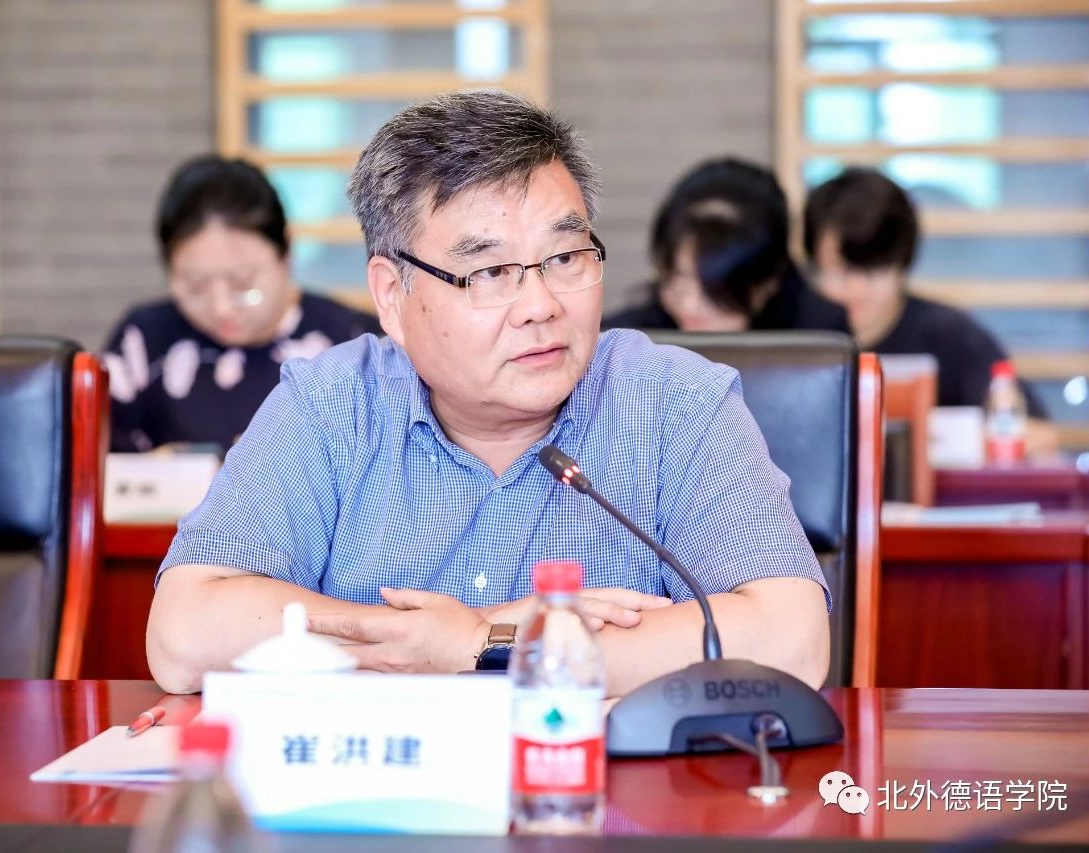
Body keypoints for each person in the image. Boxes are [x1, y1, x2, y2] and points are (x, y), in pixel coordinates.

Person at [147, 92, 829, 697]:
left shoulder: (675, 403)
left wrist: (485, 645)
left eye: (565, 258)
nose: (540, 305)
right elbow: (182, 635)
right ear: (392, 295)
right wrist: (432, 640)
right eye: (491, 272)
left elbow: (792, 640)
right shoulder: (331, 406)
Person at [102, 155, 379, 452]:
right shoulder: (142, 341)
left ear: (286, 256)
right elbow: (100, 464)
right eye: (195, 287)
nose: (221, 307)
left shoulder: (358, 345)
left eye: (242, 284)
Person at [803, 167, 1049, 417]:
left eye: (872, 272)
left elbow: (1037, 430)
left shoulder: (953, 337)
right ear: (813, 265)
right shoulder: (795, 336)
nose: (856, 289)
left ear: (903, 266)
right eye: (841, 272)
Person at [604, 157, 848, 334]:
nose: (689, 305)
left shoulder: (820, 339)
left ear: (768, 283)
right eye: (677, 279)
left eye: (713, 289)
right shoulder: (625, 341)